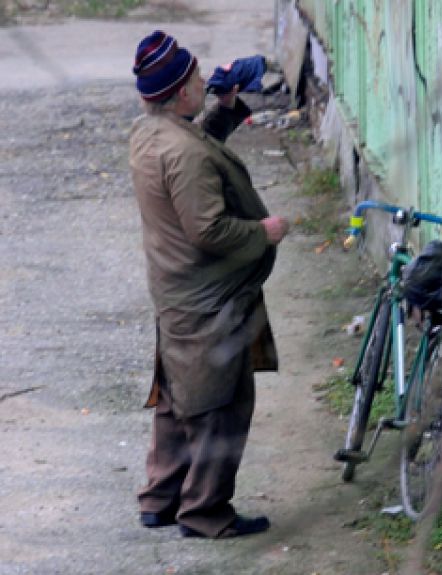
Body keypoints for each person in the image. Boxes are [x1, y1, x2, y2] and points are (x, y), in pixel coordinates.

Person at [129, 30, 289, 539]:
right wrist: (264, 232)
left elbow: (194, 149)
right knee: (222, 403)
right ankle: (204, 512)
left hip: (176, 291)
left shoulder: (150, 133)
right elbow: (209, 229)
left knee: (178, 398)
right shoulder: (184, 152)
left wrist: (224, 108)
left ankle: (160, 498)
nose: (204, 80)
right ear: (180, 93)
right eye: (198, 77)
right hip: (209, 297)